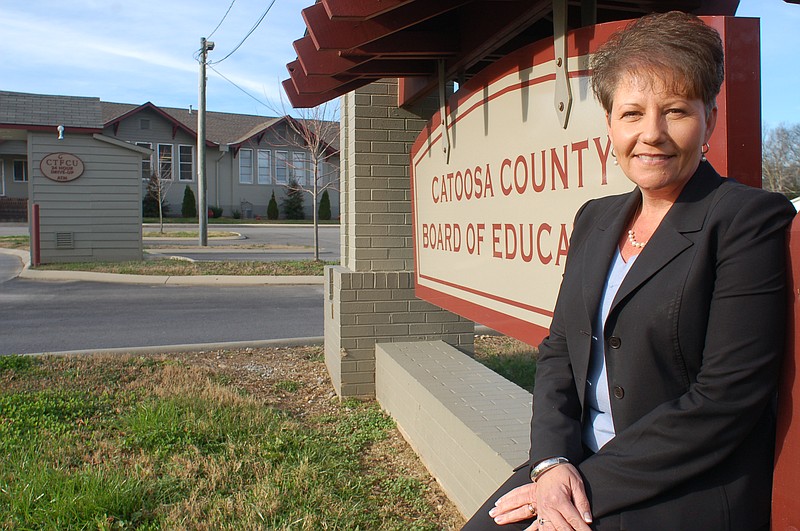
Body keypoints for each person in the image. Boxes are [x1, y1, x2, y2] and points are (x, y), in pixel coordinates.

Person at [463, 11, 796, 531]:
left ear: (709, 117)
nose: (652, 134)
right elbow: (558, 352)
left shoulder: (746, 219)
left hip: (683, 484)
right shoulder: (595, 218)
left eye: (676, 111)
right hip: (570, 466)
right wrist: (551, 464)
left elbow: (726, 400)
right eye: (633, 113)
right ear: (610, 124)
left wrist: (577, 489)